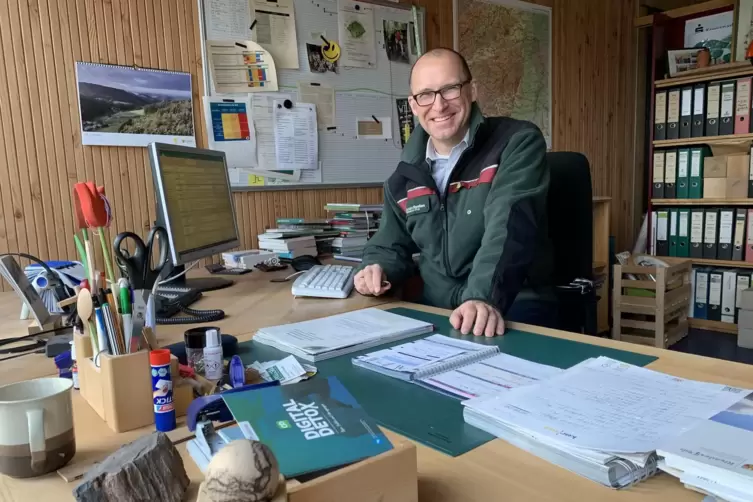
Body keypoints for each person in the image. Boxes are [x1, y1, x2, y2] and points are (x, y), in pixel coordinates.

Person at [354, 48, 555, 337]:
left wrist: (481, 297)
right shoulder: (403, 177)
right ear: (413, 105)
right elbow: (389, 244)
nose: (438, 105)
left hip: (512, 302)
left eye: (449, 89)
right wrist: (375, 268)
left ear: (472, 91)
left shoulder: (517, 144)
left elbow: (508, 228)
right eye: (425, 95)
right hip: (438, 311)